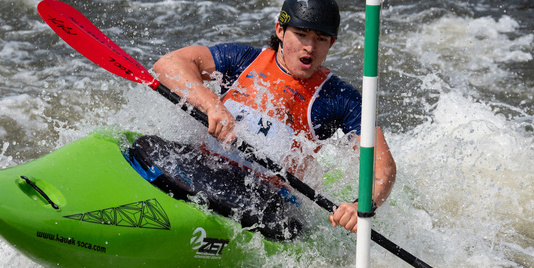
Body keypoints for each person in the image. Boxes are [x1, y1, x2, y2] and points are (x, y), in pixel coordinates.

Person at [152, 0, 396, 234]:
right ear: (280, 29)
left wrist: (361, 206)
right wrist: (212, 104)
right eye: (301, 34)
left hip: (267, 201)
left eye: (320, 38)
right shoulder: (243, 60)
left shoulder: (340, 99)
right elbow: (169, 63)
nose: (310, 47)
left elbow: (383, 168)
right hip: (202, 169)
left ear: (331, 43)